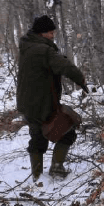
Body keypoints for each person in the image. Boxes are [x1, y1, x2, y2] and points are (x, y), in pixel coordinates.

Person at [16, 14, 88, 180]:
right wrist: (81, 80)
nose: (53, 35)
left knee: (37, 137)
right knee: (68, 132)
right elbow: (65, 66)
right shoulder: (43, 50)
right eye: (50, 33)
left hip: (28, 103)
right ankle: (56, 168)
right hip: (42, 102)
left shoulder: (27, 46)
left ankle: (37, 175)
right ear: (42, 33)